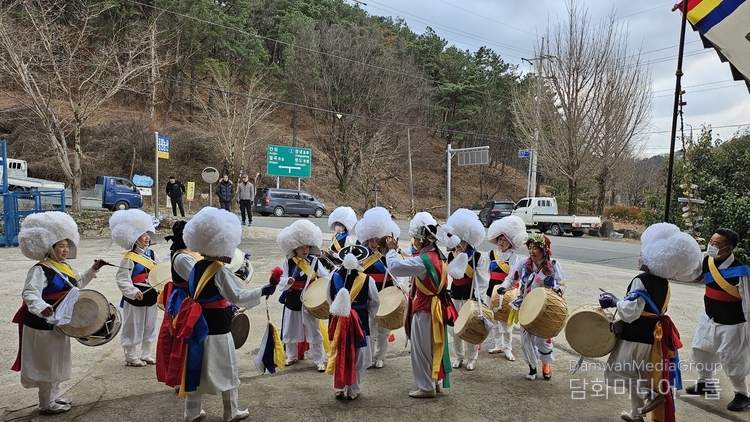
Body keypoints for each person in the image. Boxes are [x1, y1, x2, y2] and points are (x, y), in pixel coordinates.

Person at [175, 207, 276, 422]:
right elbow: (239, 296)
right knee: (228, 368)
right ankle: (231, 412)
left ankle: (191, 413)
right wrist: (263, 290)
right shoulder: (219, 271)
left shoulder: (196, 266)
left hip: (197, 327)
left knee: (196, 368)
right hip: (218, 327)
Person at [600, 223, 701, 422]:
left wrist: (613, 302)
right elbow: (646, 306)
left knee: (623, 372)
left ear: (651, 258)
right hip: (653, 337)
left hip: (634, 336)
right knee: (642, 373)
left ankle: (651, 396)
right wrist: (620, 299)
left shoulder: (641, 280)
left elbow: (631, 312)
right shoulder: (664, 283)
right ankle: (637, 413)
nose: (639, 257)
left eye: (642, 254)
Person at [12, 211, 107, 415]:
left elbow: (76, 284)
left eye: (67, 246)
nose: (65, 250)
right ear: (50, 247)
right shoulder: (39, 269)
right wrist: (41, 308)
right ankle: (45, 404)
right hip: (42, 323)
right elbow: (29, 293)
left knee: (57, 361)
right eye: (61, 246)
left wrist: (94, 269)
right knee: (46, 362)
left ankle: (53, 397)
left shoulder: (64, 267)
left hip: (60, 321)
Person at [385, 212, 451, 398]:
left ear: (423, 240)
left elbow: (395, 267)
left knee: (421, 349)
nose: (414, 242)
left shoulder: (424, 261)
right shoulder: (439, 256)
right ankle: (434, 381)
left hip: (425, 309)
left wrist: (391, 250)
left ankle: (426, 387)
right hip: (437, 308)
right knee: (434, 346)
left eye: (416, 239)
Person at [684, 228, 750, 412]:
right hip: (709, 316)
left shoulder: (741, 272)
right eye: (710, 242)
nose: (711, 246)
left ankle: (742, 394)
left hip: (733, 323)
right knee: (700, 350)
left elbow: (748, 302)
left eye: (716, 244)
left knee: (732, 359)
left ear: (728, 248)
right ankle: (705, 383)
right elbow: (690, 274)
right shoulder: (707, 260)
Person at [496, 233, 565, 381]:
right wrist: (504, 287)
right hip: (526, 306)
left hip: (545, 309)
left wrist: (559, 290)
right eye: (530, 248)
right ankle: (532, 367)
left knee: (542, 340)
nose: (531, 251)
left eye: (535, 248)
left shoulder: (553, 264)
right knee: (526, 340)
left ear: (544, 250)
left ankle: (546, 364)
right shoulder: (523, 263)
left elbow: (561, 283)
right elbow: (512, 277)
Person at [326, 245, 380, 400]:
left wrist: (339, 309)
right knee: (359, 354)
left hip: (339, 320)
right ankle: (353, 390)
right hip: (360, 320)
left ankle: (339, 388)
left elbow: (329, 298)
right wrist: (369, 313)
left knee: (339, 351)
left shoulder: (333, 276)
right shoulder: (367, 279)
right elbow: (375, 301)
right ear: (360, 261)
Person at [276, 219, 330, 371]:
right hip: (292, 300)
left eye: (307, 246)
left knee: (314, 331)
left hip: (310, 300)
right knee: (290, 329)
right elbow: (281, 280)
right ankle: (291, 356)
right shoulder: (288, 262)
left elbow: (325, 278)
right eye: (301, 247)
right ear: (295, 248)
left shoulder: (315, 262)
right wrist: (288, 281)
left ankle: (319, 360)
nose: (305, 250)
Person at [109, 209, 160, 367]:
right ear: (133, 237)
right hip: (136, 297)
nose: (147, 237)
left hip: (151, 295)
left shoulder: (152, 255)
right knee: (133, 325)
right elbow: (122, 279)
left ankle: (146, 353)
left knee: (150, 325)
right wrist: (132, 291)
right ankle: (130, 355)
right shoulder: (129, 258)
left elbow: (159, 272)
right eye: (142, 234)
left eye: (147, 233)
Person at [354, 206, 401, 369]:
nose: (373, 243)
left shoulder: (389, 255)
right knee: (369, 328)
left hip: (386, 294)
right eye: (371, 240)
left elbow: (397, 272)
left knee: (383, 329)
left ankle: (380, 357)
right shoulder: (362, 255)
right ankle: (369, 356)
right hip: (367, 295)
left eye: (376, 239)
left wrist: (399, 287)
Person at [156, 220, 200, 387]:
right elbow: (197, 280)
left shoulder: (184, 253)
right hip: (184, 300)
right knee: (183, 340)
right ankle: (182, 380)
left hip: (184, 298)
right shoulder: (182, 257)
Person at [445, 208, 489, 372]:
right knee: (455, 328)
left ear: (468, 240)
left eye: (461, 241)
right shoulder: (450, 256)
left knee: (471, 328)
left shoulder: (477, 257)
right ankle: (459, 356)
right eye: (456, 240)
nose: (458, 244)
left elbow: (482, 280)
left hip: (470, 297)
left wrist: (478, 299)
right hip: (455, 295)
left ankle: (472, 358)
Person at [485, 216, 526, 360]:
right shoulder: (490, 254)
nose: (502, 242)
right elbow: (484, 272)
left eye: (505, 240)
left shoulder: (514, 257)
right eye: (500, 239)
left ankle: (508, 348)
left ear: (510, 243)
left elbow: (514, 275)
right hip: (491, 291)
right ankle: (498, 345)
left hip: (507, 292)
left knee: (506, 322)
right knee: (495, 320)